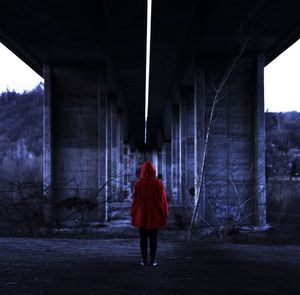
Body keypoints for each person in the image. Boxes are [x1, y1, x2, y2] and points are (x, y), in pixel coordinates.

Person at [131, 161, 168, 266]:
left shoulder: (138, 183)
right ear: (153, 170)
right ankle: (152, 261)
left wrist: (134, 213)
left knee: (143, 238)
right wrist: (164, 213)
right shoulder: (158, 183)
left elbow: (135, 200)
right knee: (153, 238)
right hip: (154, 214)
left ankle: (143, 260)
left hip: (142, 214)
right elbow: (163, 200)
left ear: (142, 170)